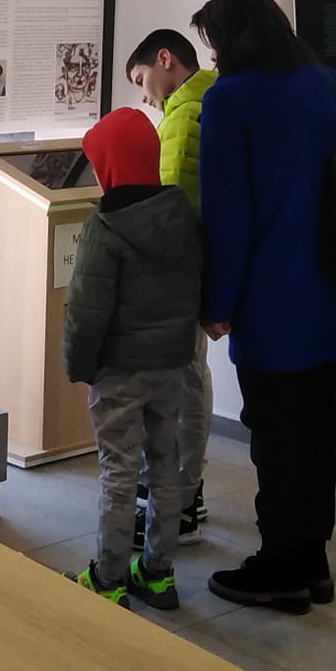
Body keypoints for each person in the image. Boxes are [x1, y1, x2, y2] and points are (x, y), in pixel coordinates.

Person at [194, 0, 336, 613]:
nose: (212, 56)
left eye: (214, 42)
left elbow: (228, 216)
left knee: (274, 435)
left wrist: (217, 303)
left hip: (270, 299)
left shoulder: (230, 100)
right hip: (329, 292)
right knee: (316, 430)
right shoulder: (329, 84)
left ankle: (280, 568)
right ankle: (313, 560)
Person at [65, 107, 200, 611]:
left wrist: (80, 366)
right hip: (172, 366)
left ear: (109, 165)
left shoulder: (104, 228)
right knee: (165, 465)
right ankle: (158, 573)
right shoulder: (183, 216)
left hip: (119, 371)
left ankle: (109, 577)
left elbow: (86, 313)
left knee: (118, 473)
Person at [123, 28, 218, 542]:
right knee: (191, 378)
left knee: (183, 385)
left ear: (164, 60)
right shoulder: (208, 101)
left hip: (182, 274)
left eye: (141, 80)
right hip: (199, 269)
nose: (144, 95)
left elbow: (173, 209)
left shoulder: (184, 117)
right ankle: (184, 494)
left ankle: (179, 502)